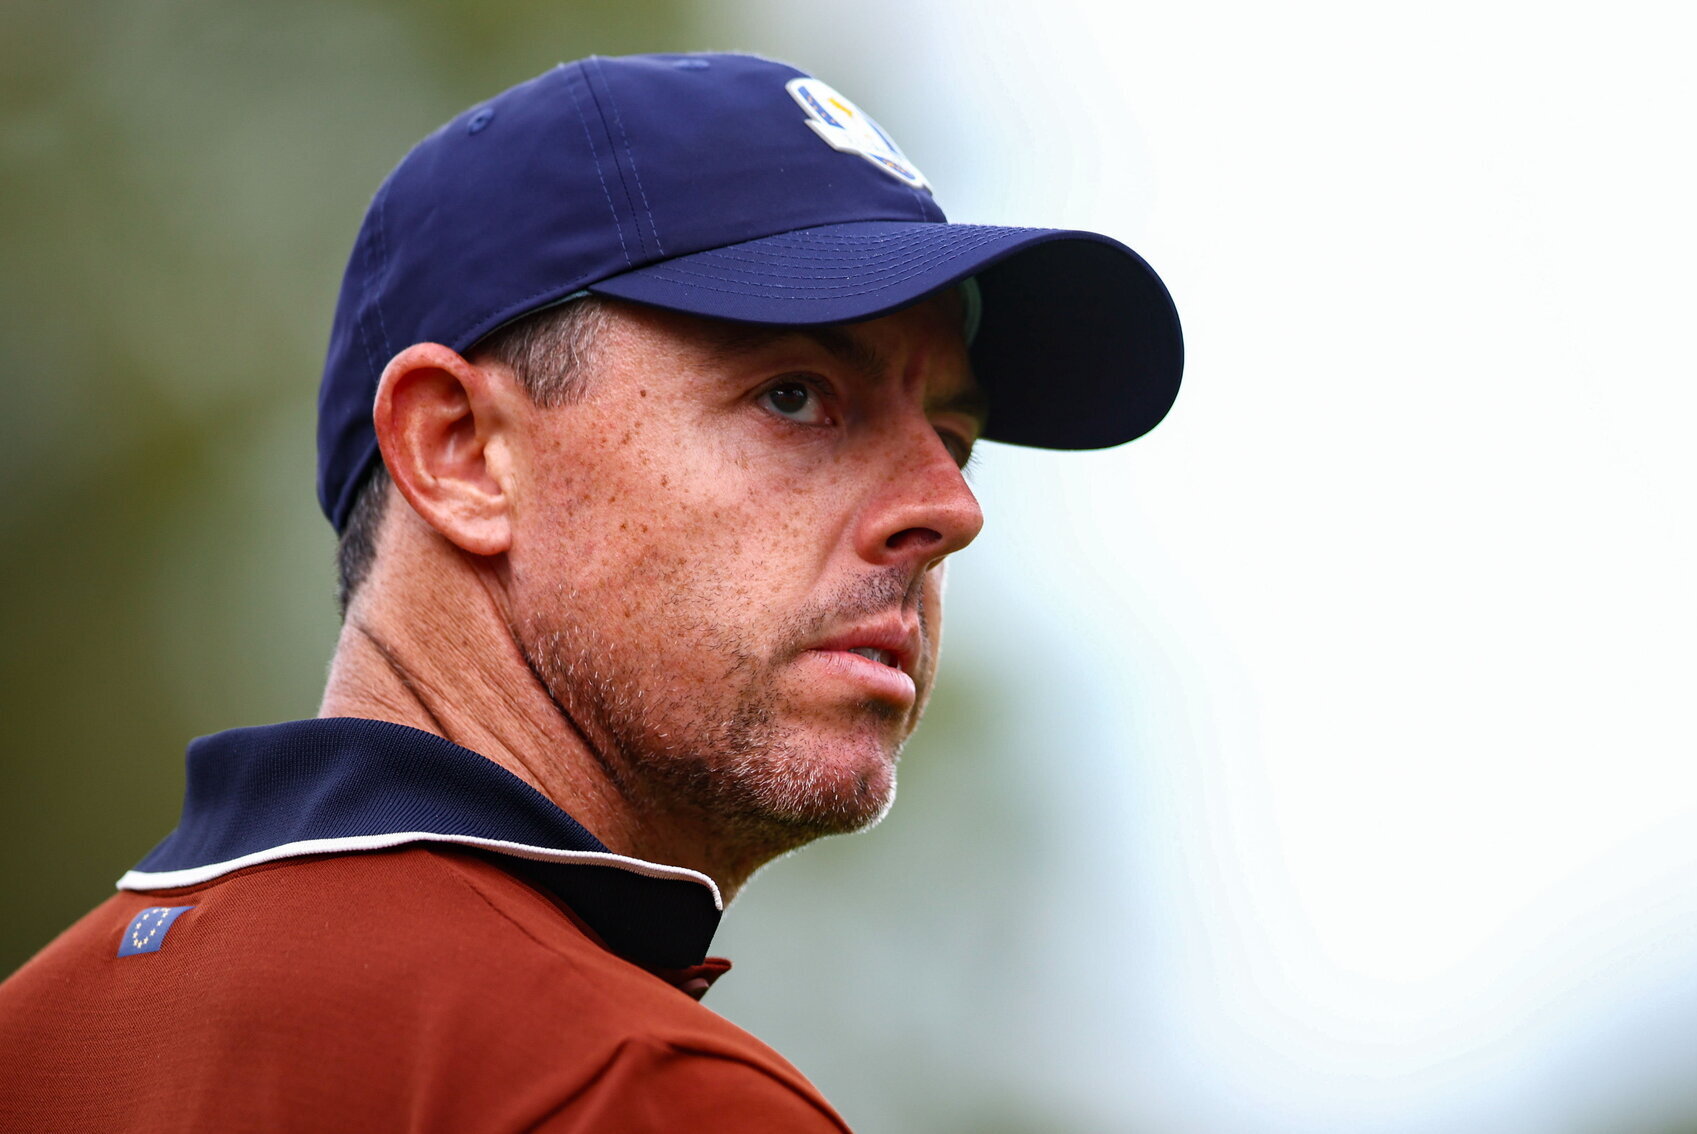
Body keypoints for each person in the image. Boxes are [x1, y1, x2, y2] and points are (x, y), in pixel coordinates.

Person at [0, 52, 1180, 1131]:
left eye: (953, 438)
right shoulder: (638, 1092)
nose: (950, 509)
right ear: (461, 454)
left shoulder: (35, 1038)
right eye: (795, 395)